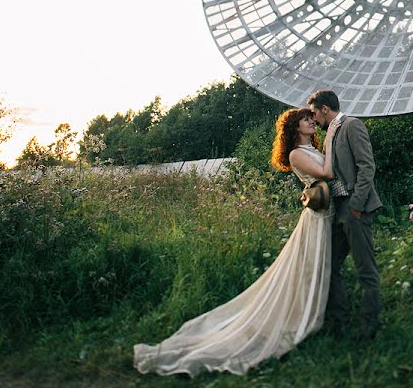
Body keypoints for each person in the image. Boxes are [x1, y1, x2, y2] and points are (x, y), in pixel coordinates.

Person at [133, 108, 338, 376]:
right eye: (305, 119)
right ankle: (300, 320)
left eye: (312, 118)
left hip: (326, 215)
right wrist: (332, 136)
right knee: (309, 269)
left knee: (317, 268)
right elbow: (327, 172)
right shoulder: (296, 154)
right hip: (317, 218)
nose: (312, 121)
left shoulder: (311, 148)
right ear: (294, 127)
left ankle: (319, 313)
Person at [308, 89, 382, 340]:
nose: (314, 119)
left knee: (366, 270)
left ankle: (369, 328)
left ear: (325, 109)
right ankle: (340, 323)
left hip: (354, 207)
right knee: (330, 265)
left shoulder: (352, 126)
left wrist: (356, 205)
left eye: (315, 113)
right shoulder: (329, 133)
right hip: (338, 208)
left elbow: (367, 166)